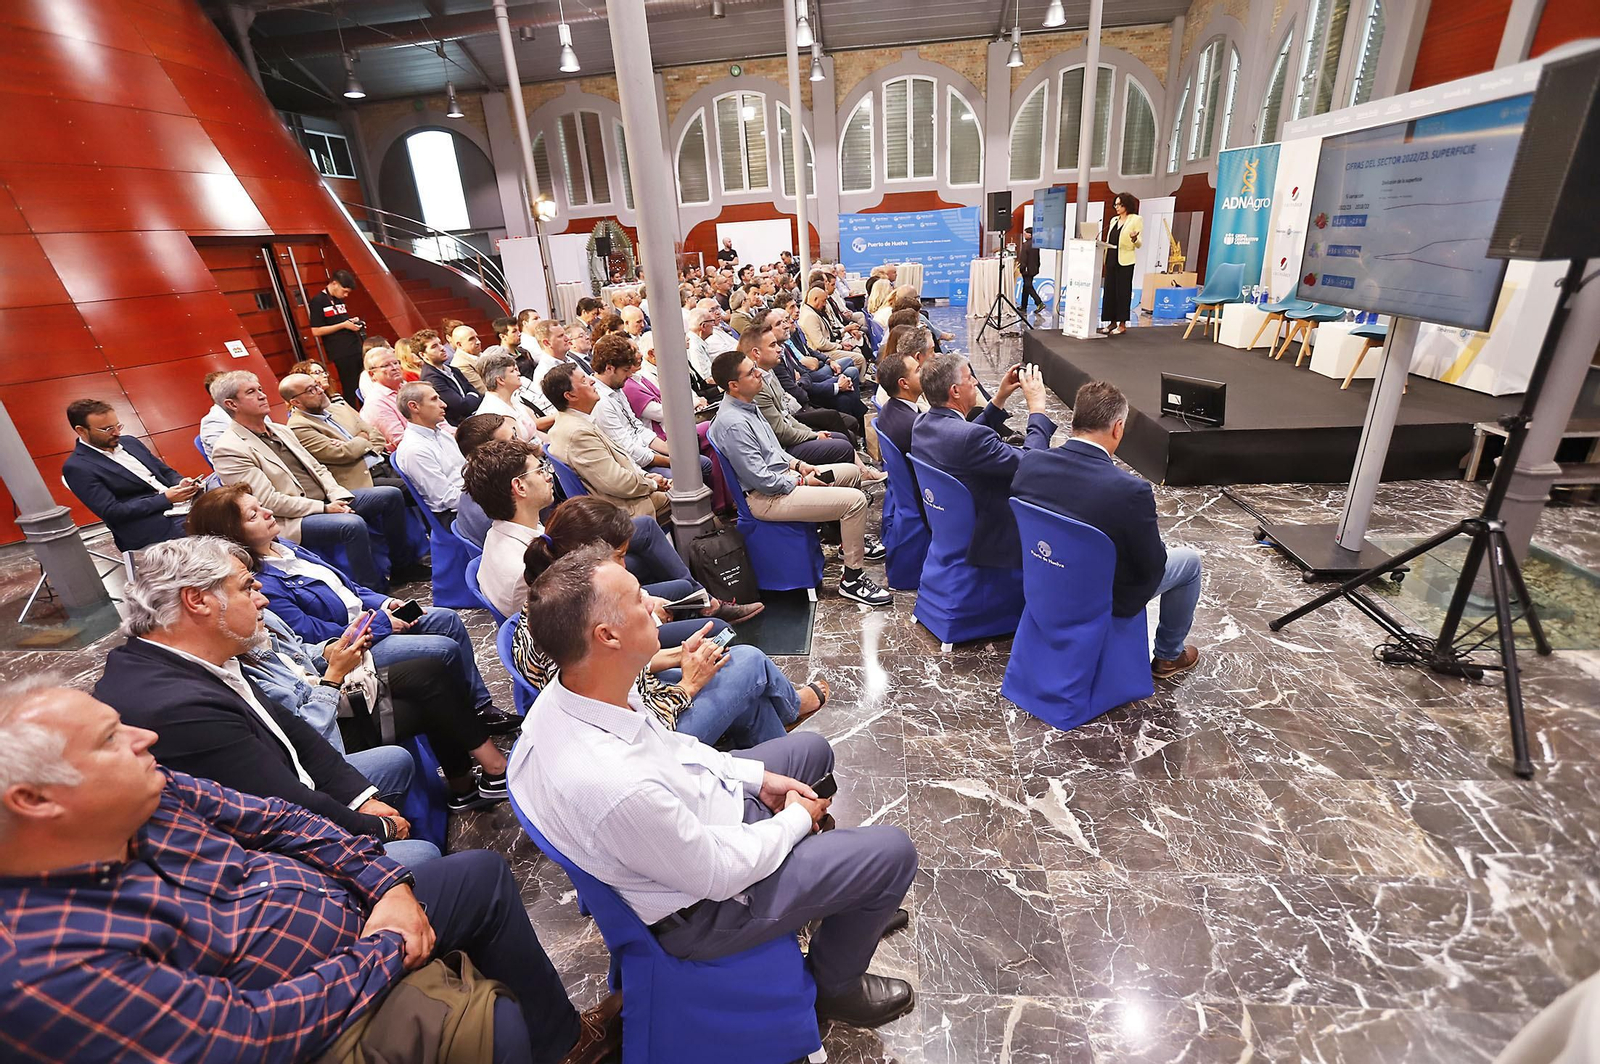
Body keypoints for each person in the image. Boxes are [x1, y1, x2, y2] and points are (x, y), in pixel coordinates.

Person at [0, 676, 620, 1064]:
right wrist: (382, 949)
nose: (143, 738)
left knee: (479, 876)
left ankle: (562, 1045)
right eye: (110, 739)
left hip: (353, 920)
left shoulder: (145, 792)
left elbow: (277, 819)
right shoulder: (41, 963)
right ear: (36, 801)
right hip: (309, 1014)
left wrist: (386, 887)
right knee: (489, 1030)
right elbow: (240, 1036)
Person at [510, 549, 916, 1028]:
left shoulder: (579, 689)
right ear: (608, 635)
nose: (655, 605)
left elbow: (672, 747)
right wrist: (793, 821)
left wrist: (756, 779)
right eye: (638, 598)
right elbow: (719, 872)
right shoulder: (613, 784)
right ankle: (836, 985)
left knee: (810, 752)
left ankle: (838, 901)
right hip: (705, 910)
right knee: (893, 854)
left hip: (691, 821)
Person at [94, 538, 437, 865]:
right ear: (197, 601)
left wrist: (360, 798)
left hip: (283, 800)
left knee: (393, 763)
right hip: (259, 852)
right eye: (246, 588)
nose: (262, 600)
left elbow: (295, 731)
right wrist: (380, 828)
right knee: (424, 856)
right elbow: (285, 805)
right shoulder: (177, 706)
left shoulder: (203, 658)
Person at [188, 485, 519, 734]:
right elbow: (311, 633)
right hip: (355, 644)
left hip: (371, 618)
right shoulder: (259, 583)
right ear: (233, 534)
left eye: (261, 506)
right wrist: (384, 624)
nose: (268, 513)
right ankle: (463, 722)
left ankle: (480, 707)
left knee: (445, 619)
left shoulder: (284, 547)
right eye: (253, 515)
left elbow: (347, 587)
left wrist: (386, 602)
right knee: (441, 649)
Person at [514, 535, 818, 748]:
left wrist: (677, 657)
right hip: (663, 734)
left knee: (751, 701)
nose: (651, 605)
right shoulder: (598, 712)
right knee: (749, 661)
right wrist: (689, 685)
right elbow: (644, 725)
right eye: (637, 600)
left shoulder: (546, 616)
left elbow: (631, 688)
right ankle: (790, 710)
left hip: (653, 702)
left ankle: (779, 768)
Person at [1012, 380, 1201, 679]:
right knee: (1189, 562)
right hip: (1099, 594)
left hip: (1044, 579)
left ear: (1075, 421)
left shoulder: (1031, 463)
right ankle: (1168, 656)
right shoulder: (1130, 490)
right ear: (1117, 428)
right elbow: (1152, 566)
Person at [243, 606, 509, 812]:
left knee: (431, 673)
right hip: (327, 733)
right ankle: (489, 775)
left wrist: (336, 647)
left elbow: (301, 652)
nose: (261, 596)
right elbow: (310, 734)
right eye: (246, 587)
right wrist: (334, 674)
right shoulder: (243, 673)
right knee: (432, 679)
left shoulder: (261, 620)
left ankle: (468, 787)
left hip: (333, 696)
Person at [708, 350, 891, 607]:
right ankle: (852, 578)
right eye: (751, 372)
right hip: (766, 499)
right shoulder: (733, 423)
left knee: (849, 472)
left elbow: (773, 450)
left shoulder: (748, 406)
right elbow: (762, 481)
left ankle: (844, 543)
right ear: (733, 385)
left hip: (782, 479)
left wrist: (800, 465)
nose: (759, 372)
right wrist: (801, 481)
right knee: (855, 501)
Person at [209, 370, 417, 590]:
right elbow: (267, 502)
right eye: (251, 392)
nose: (262, 395)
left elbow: (319, 468)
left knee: (390, 495)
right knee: (351, 524)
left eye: (260, 389)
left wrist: (338, 496)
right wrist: (325, 508)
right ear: (231, 404)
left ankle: (402, 567)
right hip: (290, 518)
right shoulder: (229, 448)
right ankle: (373, 591)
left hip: (328, 500)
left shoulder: (280, 430)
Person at [911, 355, 1054, 571]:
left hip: (948, 526)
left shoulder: (922, 424)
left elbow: (960, 437)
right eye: (970, 378)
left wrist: (999, 399)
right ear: (955, 391)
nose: (976, 382)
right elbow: (1031, 464)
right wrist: (1037, 409)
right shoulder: (970, 438)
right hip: (990, 533)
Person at [62, 398, 200, 552]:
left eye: (117, 425)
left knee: (225, 502)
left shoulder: (130, 443)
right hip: (148, 524)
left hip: (179, 505)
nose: (116, 433)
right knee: (211, 524)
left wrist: (181, 483)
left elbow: (165, 472)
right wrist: (165, 498)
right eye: (107, 429)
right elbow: (113, 512)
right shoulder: (77, 467)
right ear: (81, 430)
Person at [544, 364, 669, 521]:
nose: (592, 381)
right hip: (625, 509)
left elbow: (618, 465)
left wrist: (645, 476)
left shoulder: (573, 422)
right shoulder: (578, 433)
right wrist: (652, 483)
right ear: (570, 396)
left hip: (624, 497)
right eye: (583, 380)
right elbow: (617, 482)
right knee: (689, 490)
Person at [745, 322, 869, 470]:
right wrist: (813, 435)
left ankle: (862, 464)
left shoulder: (768, 369)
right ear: (756, 353)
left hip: (796, 412)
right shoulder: (759, 382)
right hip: (784, 444)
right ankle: (859, 468)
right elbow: (782, 428)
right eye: (773, 345)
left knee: (845, 414)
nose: (779, 349)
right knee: (841, 437)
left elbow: (805, 374)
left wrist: (811, 433)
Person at [463, 439, 555, 618]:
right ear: (519, 487)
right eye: (540, 470)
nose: (549, 475)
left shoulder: (496, 532)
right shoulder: (527, 569)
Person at [281, 372, 400, 492]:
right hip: (363, 480)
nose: (320, 390)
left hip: (384, 462)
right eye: (311, 390)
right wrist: (363, 437)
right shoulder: (298, 427)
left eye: (317, 385)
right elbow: (343, 453)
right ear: (296, 402)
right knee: (413, 487)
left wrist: (358, 444)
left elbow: (376, 434)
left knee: (417, 476)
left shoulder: (338, 408)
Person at [393, 382, 467, 518]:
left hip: (469, 498)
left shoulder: (441, 434)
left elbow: (467, 470)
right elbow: (448, 499)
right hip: (453, 515)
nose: (443, 404)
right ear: (414, 406)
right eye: (434, 399)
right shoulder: (415, 450)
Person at [452, 413, 519, 548]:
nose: (521, 443)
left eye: (515, 436)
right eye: (510, 443)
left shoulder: (476, 485)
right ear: (487, 456)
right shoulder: (501, 507)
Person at [308, 269, 366, 403]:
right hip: (341, 351)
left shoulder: (338, 300)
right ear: (334, 284)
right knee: (350, 387)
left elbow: (340, 320)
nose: (345, 295)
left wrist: (351, 322)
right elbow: (316, 331)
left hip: (354, 346)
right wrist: (343, 325)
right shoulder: (318, 301)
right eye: (344, 291)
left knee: (362, 383)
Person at [418, 327, 485, 425]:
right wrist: (471, 396)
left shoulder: (454, 370)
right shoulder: (431, 379)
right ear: (423, 355)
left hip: (475, 418)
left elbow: (475, 393)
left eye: (440, 343)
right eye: (434, 346)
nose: (442, 348)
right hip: (461, 427)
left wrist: (470, 396)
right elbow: (462, 407)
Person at [477, 351, 545, 443]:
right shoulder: (496, 411)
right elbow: (520, 450)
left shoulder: (513, 399)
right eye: (512, 371)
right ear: (500, 380)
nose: (519, 373)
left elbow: (535, 433)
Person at [1100, 192, 1142, 336]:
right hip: (1111, 258)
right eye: (1115, 204)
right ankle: (1111, 322)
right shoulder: (1113, 220)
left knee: (1122, 292)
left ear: (1126, 205)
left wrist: (1134, 238)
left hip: (1125, 260)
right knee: (1110, 291)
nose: (1116, 207)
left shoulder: (1135, 219)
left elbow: (1139, 244)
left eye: (1119, 204)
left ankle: (1122, 323)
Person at [359, 342, 410, 451]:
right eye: (386, 365)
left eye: (396, 363)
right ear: (372, 374)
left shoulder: (408, 388)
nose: (394, 368)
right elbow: (401, 441)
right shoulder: (375, 403)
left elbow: (438, 422)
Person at [874, 347, 924, 457]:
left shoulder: (888, 408)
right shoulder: (916, 425)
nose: (924, 372)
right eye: (918, 370)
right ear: (904, 383)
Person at [1017, 225, 1044, 318]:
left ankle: (1039, 303)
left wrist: (1022, 268)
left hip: (1027, 270)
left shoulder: (1026, 245)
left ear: (1030, 235)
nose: (1024, 234)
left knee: (1028, 286)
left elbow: (1023, 259)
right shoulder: (1036, 244)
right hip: (1033, 269)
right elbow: (1038, 258)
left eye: (1025, 233)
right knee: (1026, 287)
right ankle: (1023, 306)